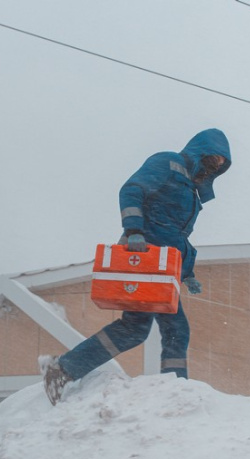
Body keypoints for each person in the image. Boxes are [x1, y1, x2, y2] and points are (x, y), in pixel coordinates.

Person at [43, 128, 231, 405]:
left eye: (220, 165)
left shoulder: (191, 190)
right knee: (169, 328)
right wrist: (133, 230)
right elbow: (132, 190)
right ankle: (174, 386)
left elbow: (178, 237)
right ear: (199, 150)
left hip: (162, 269)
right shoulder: (167, 162)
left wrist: (188, 271)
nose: (213, 166)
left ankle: (65, 368)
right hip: (143, 259)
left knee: (139, 328)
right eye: (212, 158)